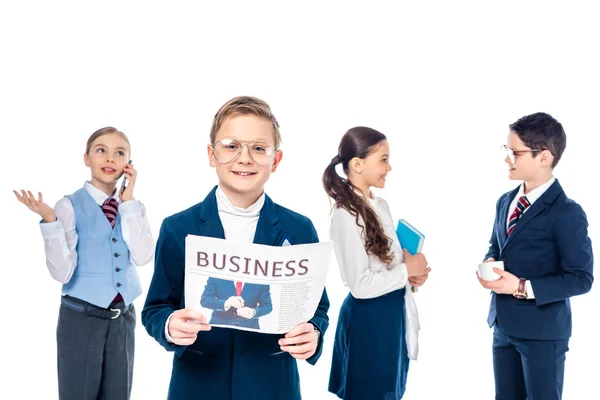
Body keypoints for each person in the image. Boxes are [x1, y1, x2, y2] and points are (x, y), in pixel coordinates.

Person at [141, 96, 330, 400]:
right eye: (231, 146)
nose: (245, 158)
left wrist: (314, 334)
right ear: (211, 154)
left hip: (272, 387)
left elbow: (317, 306)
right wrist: (168, 325)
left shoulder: (300, 229)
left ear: (276, 160)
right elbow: (156, 307)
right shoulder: (178, 228)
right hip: (199, 386)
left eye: (258, 148)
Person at [13, 126, 154, 400]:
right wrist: (51, 222)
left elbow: (143, 256)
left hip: (122, 318)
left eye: (119, 153)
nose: (110, 159)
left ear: (129, 165)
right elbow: (62, 273)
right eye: (101, 151)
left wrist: (128, 203)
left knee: (118, 394)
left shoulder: (132, 207)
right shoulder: (68, 206)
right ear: (86, 158)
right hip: (81, 318)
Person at [477, 112, 594, 400]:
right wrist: (491, 263)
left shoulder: (566, 212)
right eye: (507, 150)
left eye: (514, 152)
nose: (507, 159)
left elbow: (581, 278)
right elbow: (496, 245)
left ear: (544, 157)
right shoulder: (505, 201)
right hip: (502, 325)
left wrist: (519, 286)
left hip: (543, 332)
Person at [323, 126, 430, 400]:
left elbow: (386, 267)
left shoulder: (380, 204)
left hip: (390, 318)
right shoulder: (344, 214)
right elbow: (360, 284)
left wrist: (411, 276)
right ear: (357, 164)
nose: (389, 166)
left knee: (389, 391)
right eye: (383, 159)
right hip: (369, 322)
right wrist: (407, 270)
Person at [200, 277, 272, 329]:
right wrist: (226, 303)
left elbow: (267, 306)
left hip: (250, 330)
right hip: (219, 327)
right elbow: (205, 300)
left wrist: (253, 312)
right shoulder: (216, 276)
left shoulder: (261, 280)